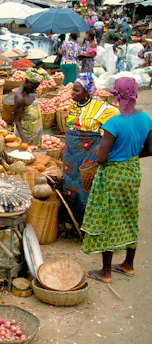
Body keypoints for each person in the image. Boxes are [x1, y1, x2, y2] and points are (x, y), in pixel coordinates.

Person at [81, 77, 152, 283]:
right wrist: (128, 155)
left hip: (112, 174)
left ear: (116, 97)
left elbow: (101, 158)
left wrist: (98, 151)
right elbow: (149, 150)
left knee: (109, 218)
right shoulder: (146, 119)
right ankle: (128, 265)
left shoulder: (114, 123)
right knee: (130, 214)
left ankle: (105, 272)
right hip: (131, 171)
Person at [62, 73, 119, 224]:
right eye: (73, 90)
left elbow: (115, 120)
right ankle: (72, 219)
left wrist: (102, 140)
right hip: (70, 154)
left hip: (87, 152)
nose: (73, 93)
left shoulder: (99, 108)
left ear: (87, 92)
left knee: (85, 184)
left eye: (77, 91)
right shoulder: (73, 105)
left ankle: (86, 222)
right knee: (69, 182)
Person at [13, 68, 49, 146]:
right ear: (26, 81)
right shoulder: (20, 98)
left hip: (35, 135)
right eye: (33, 87)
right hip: (26, 137)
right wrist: (24, 140)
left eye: (36, 87)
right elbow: (17, 121)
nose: (34, 90)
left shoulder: (30, 91)